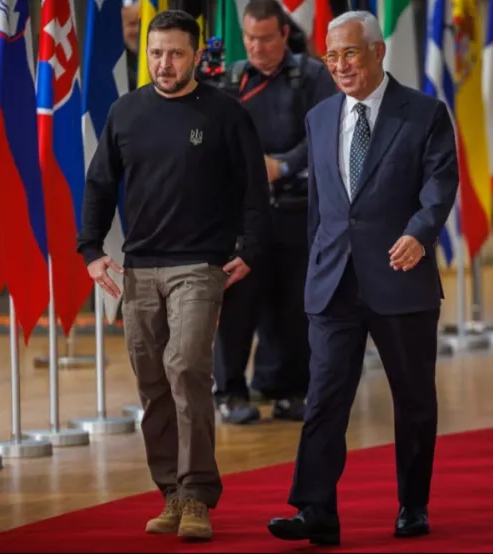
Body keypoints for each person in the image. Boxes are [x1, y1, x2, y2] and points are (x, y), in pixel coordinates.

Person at [77, 10, 270, 542]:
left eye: (176, 53)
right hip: (139, 268)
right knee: (153, 384)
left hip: (200, 266)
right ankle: (172, 494)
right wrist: (91, 249)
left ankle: (198, 494)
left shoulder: (225, 113)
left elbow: (254, 188)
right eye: (156, 53)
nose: (164, 63)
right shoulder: (125, 112)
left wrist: (251, 247)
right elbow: (98, 185)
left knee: (186, 368)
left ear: (196, 56)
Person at [267, 11, 458, 545]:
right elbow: (322, 207)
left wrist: (420, 234)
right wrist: (315, 268)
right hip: (333, 284)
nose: (340, 65)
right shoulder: (320, 117)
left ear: (378, 52)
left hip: (401, 277)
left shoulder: (423, 114)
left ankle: (413, 504)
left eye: (350, 53)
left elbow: (440, 185)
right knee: (324, 397)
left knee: (413, 400)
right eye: (331, 56)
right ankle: (316, 510)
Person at [212, 0, 337, 425]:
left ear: (284, 34)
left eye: (266, 39)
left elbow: (324, 133)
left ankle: (287, 390)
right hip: (245, 217)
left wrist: (280, 167)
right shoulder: (232, 79)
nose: (257, 48)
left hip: (296, 209)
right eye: (250, 39)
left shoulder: (313, 76)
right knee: (237, 307)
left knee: (294, 306)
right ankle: (229, 392)